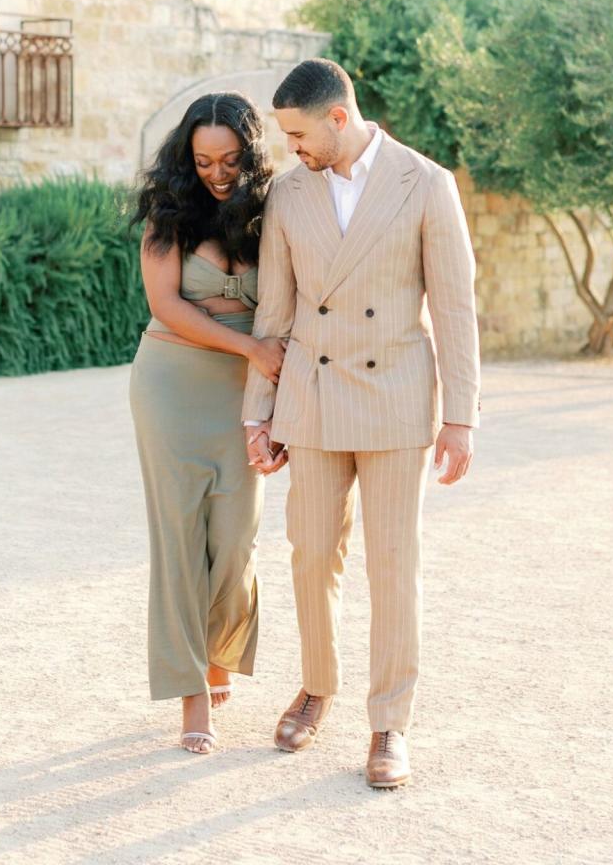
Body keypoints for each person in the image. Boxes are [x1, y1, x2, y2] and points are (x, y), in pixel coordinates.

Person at [242, 59, 480, 788]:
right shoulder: (289, 194)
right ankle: (318, 685)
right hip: (311, 397)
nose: (292, 148)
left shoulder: (426, 184)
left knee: (392, 564)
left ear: (339, 119)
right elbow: (274, 312)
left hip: (395, 397)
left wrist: (460, 419)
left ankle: (389, 724)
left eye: (299, 134)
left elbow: (454, 307)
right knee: (311, 554)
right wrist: (258, 412)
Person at [130, 92, 287, 756]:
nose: (216, 173)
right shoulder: (168, 215)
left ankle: (221, 649)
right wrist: (250, 345)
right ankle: (194, 690)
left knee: (237, 535)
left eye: (228, 161)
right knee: (179, 536)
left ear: (250, 156)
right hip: (171, 384)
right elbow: (166, 304)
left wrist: (270, 382)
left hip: (243, 393)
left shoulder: (273, 213)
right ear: (185, 157)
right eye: (202, 160)